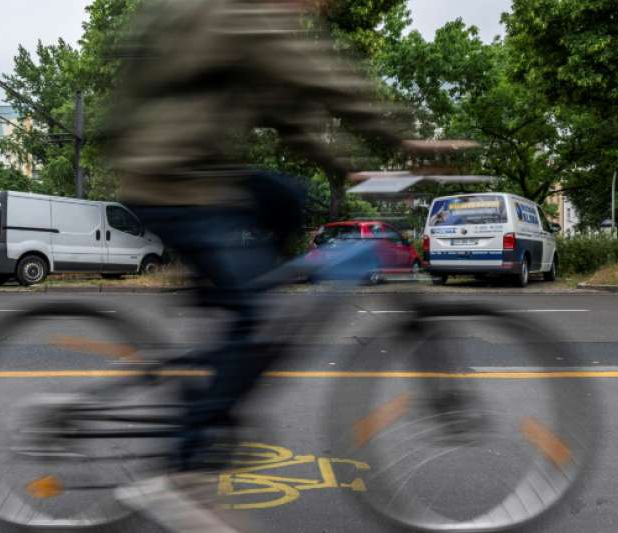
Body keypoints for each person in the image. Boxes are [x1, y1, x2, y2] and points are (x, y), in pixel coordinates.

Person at [104, 0, 418, 529]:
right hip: (172, 181)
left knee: (285, 196)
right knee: (256, 317)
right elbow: (327, 81)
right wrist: (404, 141)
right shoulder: (244, 16)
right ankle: (181, 472)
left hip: (197, 172)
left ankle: (236, 296)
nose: (318, 9)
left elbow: (294, 119)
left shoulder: (242, 28)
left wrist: (351, 168)